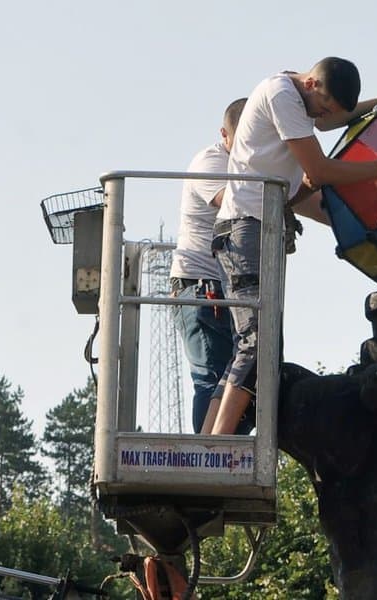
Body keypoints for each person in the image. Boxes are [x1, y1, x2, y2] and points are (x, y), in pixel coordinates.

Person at [209, 56, 377, 435]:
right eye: (323, 107)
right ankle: (216, 445)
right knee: (257, 343)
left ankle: (208, 441)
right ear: (311, 84)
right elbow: (321, 172)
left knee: (255, 343)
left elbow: (330, 118)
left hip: (259, 228)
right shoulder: (281, 95)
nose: (323, 119)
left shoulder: (300, 99)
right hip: (244, 229)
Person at [170, 98, 246, 434]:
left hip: (230, 289)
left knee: (242, 381)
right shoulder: (212, 161)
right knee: (213, 377)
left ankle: (223, 452)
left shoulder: (248, 169)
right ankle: (205, 456)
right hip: (202, 287)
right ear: (225, 135)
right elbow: (231, 203)